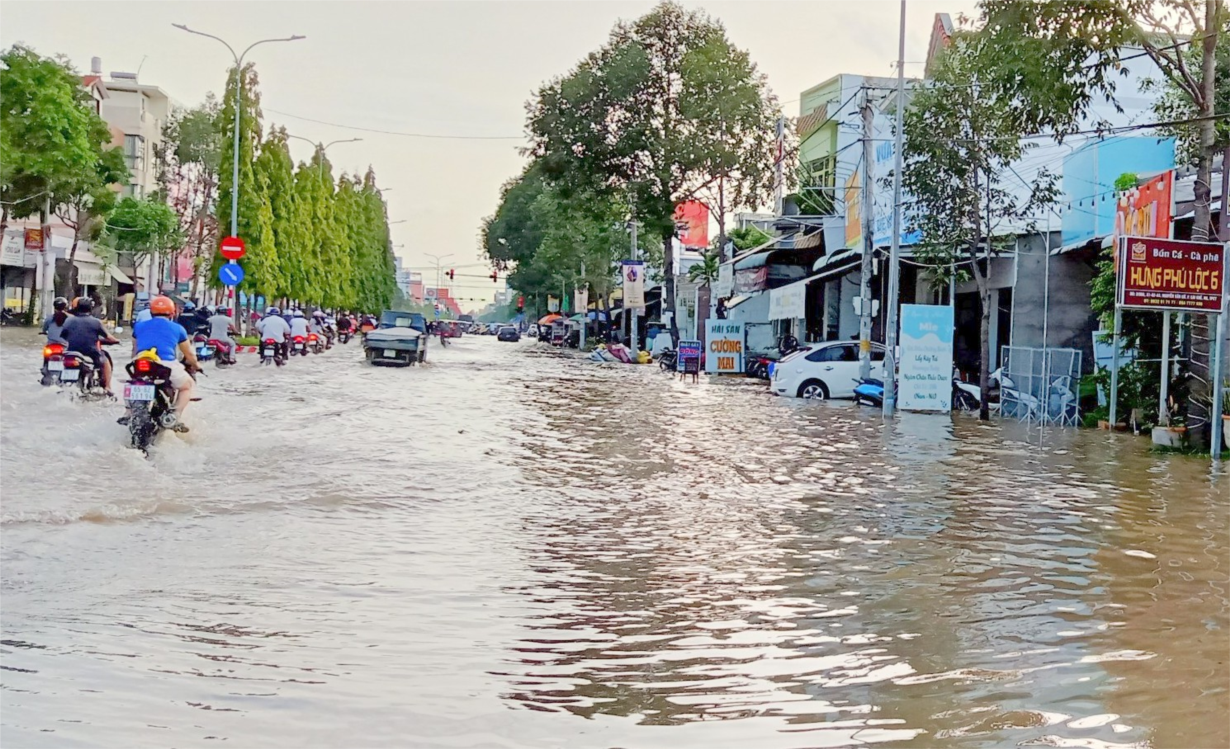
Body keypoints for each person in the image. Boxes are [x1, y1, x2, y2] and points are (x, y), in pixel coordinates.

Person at [130, 295, 201, 431]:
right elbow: (189, 354)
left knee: (133, 383)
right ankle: (175, 415)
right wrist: (197, 366)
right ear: (172, 313)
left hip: (141, 362)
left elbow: (134, 349)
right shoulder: (178, 328)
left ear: (151, 312)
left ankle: (128, 412)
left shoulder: (139, 327)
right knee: (186, 386)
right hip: (166, 365)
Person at [61, 297, 119, 394]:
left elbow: (63, 336)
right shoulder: (96, 322)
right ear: (90, 308)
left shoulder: (68, 321)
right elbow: (109, 338)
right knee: (105, 360)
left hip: (71, 352)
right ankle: (108, 387)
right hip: (90, 352)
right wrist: (117, 341)